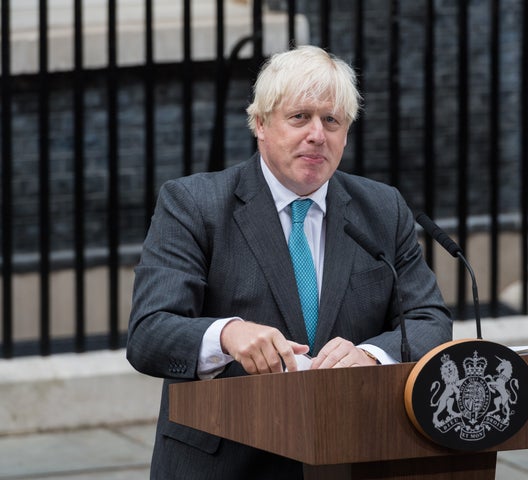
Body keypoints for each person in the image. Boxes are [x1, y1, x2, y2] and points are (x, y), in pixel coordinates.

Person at [126, 45, 452, 480]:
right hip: (229, 459)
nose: (317, 134)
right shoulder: (193, 204)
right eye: (299, 117)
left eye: (332, 120)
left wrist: (372, 355)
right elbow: (149, 333)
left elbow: (429, 319)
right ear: (259, 124)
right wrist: (226, 334)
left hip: (352, 452)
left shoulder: (381, 208)